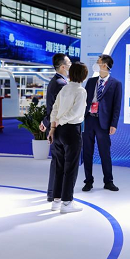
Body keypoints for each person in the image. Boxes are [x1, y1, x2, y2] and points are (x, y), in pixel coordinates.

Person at [47, 62, 88, 214]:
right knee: (71, 167)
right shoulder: (81, 91)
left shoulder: (65, 89)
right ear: (83, 75)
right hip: (71, 130)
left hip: (58, 131)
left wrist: (53, 127)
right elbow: (76, 113)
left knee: (59, 167)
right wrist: (61, 121)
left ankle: (56, 201)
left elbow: (54, 109)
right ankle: (67, 202)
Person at [82, 54, 122, 192]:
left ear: (104, 65)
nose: (96, 64)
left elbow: (117, 106)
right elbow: (85, 101)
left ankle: (108, 181)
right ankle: (88, 181)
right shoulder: (91, 81)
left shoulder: (116, 84)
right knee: (87, 152)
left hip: (103, 123)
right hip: (89, 120)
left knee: (105, 153)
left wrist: (114, 124)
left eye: (98, 62)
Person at [40, 53, 70, 202]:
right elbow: (56, 109)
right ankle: (54, 193)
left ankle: (53, 192)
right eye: (69, 63)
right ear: (63, 66)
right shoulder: (61, 84)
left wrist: (45, 122)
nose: (71, 65)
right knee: (59, 162)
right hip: (58, 127)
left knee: (57, 161)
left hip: (54, 125)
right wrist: (47, 122)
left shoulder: (57, 81)